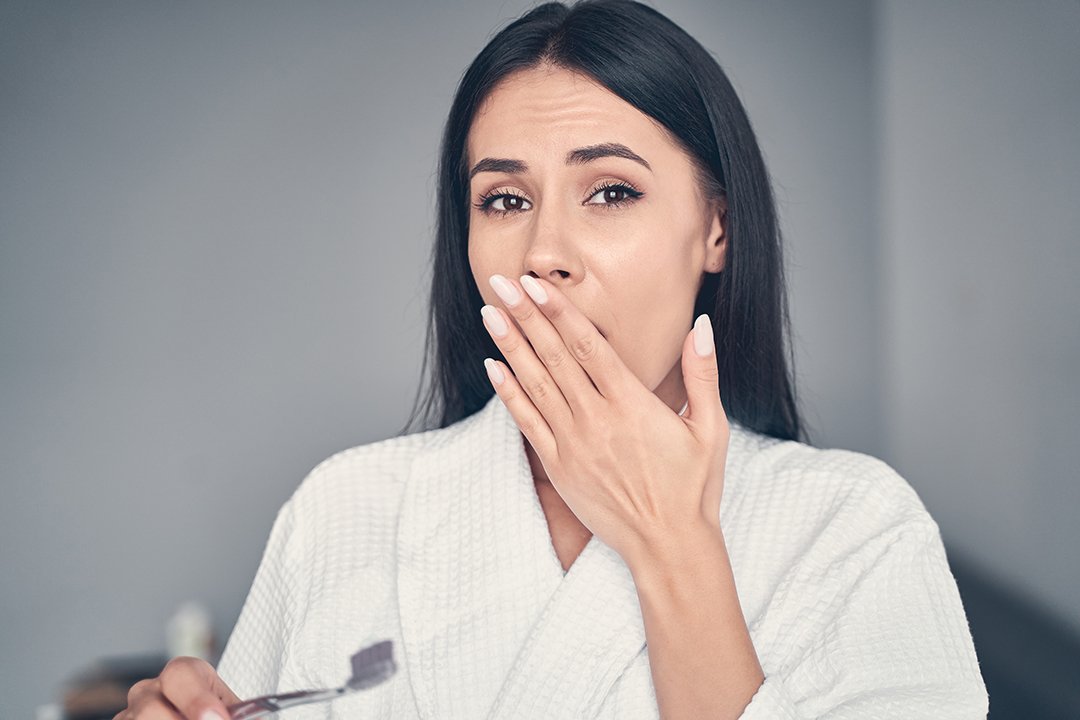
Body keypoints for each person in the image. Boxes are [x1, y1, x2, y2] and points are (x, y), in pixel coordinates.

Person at [115, 1, 989, 718]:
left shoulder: (855, 530)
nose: (544, 253)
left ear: (716, 227)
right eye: (504, 198)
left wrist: (671, 544)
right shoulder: (343, 511)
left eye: (610, 190)